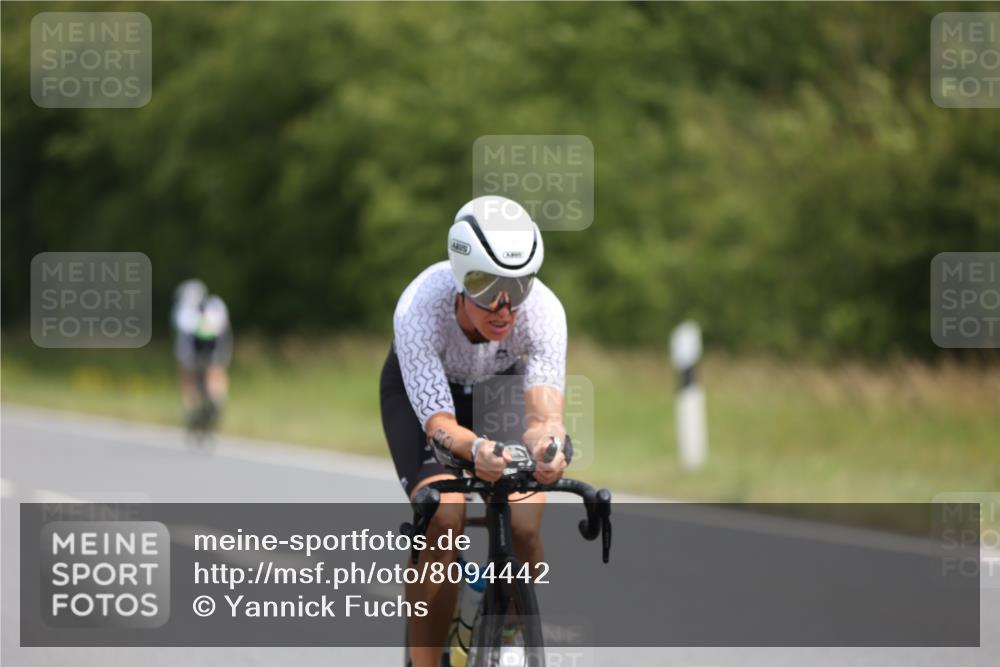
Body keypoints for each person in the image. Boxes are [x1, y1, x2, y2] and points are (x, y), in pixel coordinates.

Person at [380, 195, 570, 667]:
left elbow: (544, 415)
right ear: (462, 279)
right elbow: (441, 425)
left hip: (494, 388)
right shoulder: (419, 306)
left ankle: (505, 631)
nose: (505, 308)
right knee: (445, 518)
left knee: (525, 523)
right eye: (489, 289)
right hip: (425, 397)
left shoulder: (544, 311)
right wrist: (478, 449)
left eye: (520, 287)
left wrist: (548, 446)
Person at [171, 280, 233, 429]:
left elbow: (182, 335)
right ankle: (217, 401)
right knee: (216, 372)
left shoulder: (183, 309)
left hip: (192, 352)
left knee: (188, 377)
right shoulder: (216, 305)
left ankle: (189, 407)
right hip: (216, 349)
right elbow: (224, 330)